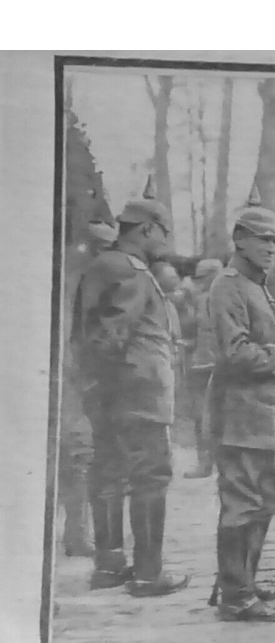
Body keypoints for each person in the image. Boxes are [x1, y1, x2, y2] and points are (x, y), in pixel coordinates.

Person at [71, 178, 190, 597]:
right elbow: (111, 338)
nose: (166, 242)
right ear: (147, 229)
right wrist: (120, 388)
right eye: (164, 232)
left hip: (106, 393)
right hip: (138, 394)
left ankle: (109, 565)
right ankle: (148, 574)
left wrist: (98, 390)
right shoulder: (132, 271)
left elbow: (93, 339)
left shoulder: (103, 266)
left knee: (108, 470)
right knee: (151, 476)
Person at [206, 187, 275, 622]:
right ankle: (235, 596)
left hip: (264, 418)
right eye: (262, 239)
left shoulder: (255, 287)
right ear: (239, 239)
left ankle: (241, 579)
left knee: (264, 500)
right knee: (242, 503)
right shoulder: (228, 287)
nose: (270, 248)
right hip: (241, 417)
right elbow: (236, 353)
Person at [60, 221, 117, 557]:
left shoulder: (85, 274)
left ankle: (77, 534)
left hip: (77, 375)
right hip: (67, 377)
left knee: (78, 455)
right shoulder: (78, 274)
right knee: (78, 452)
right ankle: (76, 536)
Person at [182, 258, 223, 478]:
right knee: (200, 416)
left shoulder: (224, 299)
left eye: (203, 278)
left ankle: (217, 464)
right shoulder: (199, 300)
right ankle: (205, 463)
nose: (200, 282)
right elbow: (194, 331)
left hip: (218, 364)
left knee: (216, 416)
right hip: (200, 363)